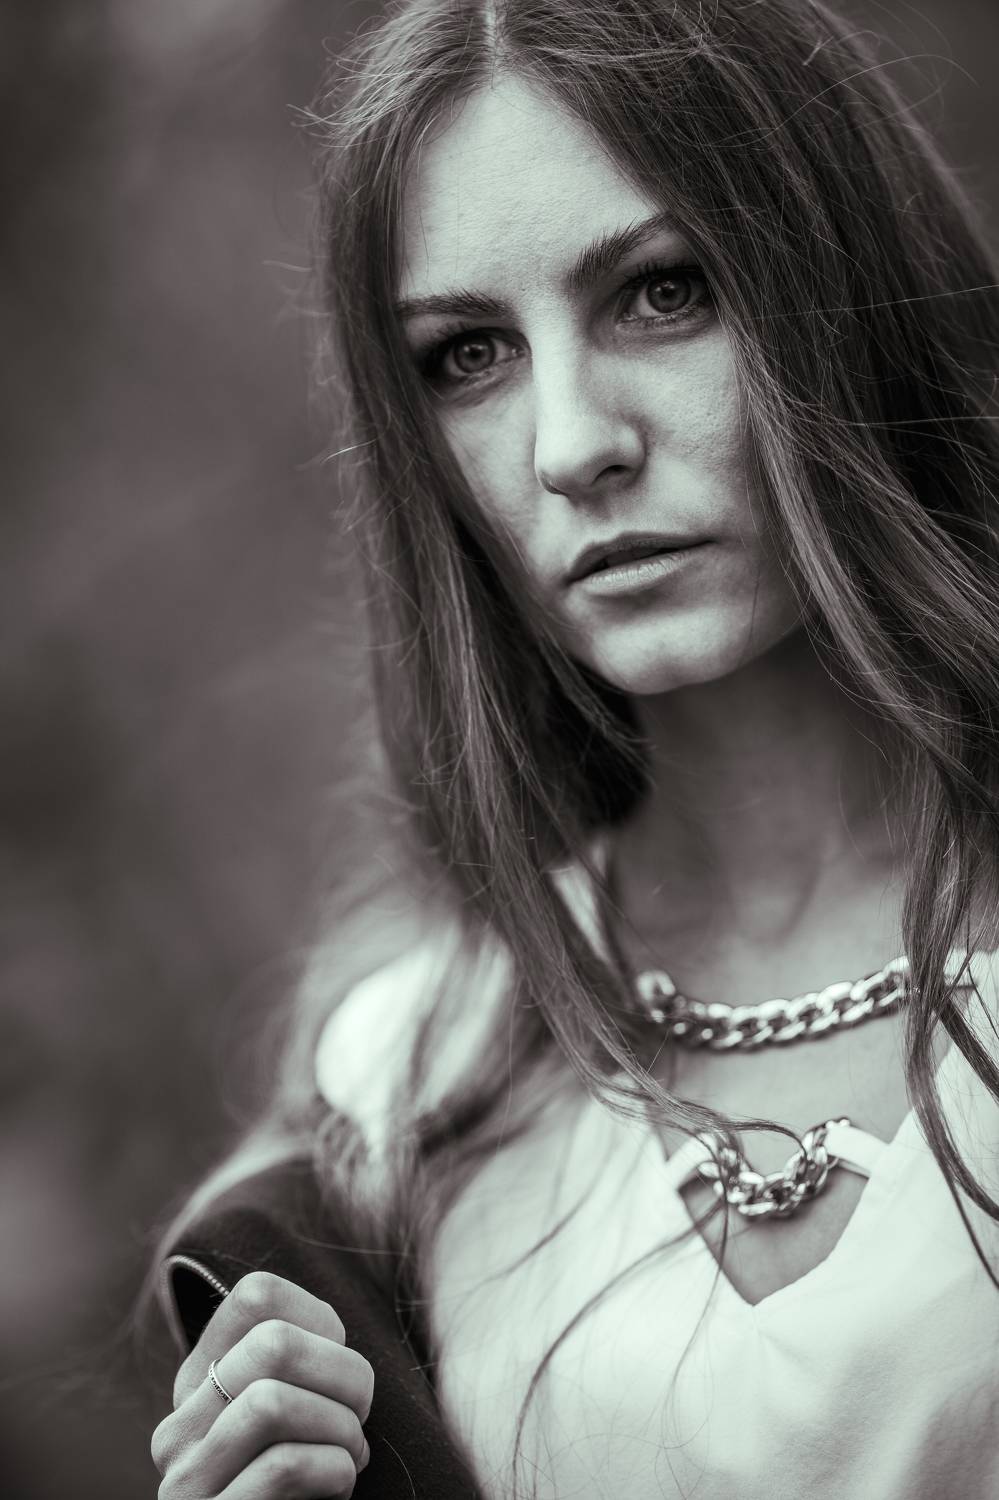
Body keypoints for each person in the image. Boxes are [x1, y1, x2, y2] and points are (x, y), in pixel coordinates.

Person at [148, 1, 999, 1496]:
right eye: (469, 355)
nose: (570, 444)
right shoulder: (414, 1079)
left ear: (846, 286)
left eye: (663, 292)